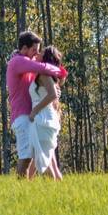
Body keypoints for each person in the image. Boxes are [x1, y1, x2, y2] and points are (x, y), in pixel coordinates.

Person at [6, 31, 67, 179]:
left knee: (34, 156)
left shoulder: (27, 66)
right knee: (26, 156)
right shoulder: (17, 62)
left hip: (32, 117)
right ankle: (20, 191)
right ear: (24, 48)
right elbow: (43, 68)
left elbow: (42, 82)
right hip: (23, 116)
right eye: (34, 50)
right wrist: (60, 71)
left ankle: (27, 190)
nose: (36, 53)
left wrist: (54, 88)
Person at [27, 46, 65, 180]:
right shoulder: (43, 74)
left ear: (46, 58)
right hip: (44, 118)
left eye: (41, 52)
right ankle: (24, 185)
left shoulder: (44, 74)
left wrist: (34, 111)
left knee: (42, 159)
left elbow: (52, 94)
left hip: (43, 119)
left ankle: (25, 185)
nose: (38, 53)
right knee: (43, 158)